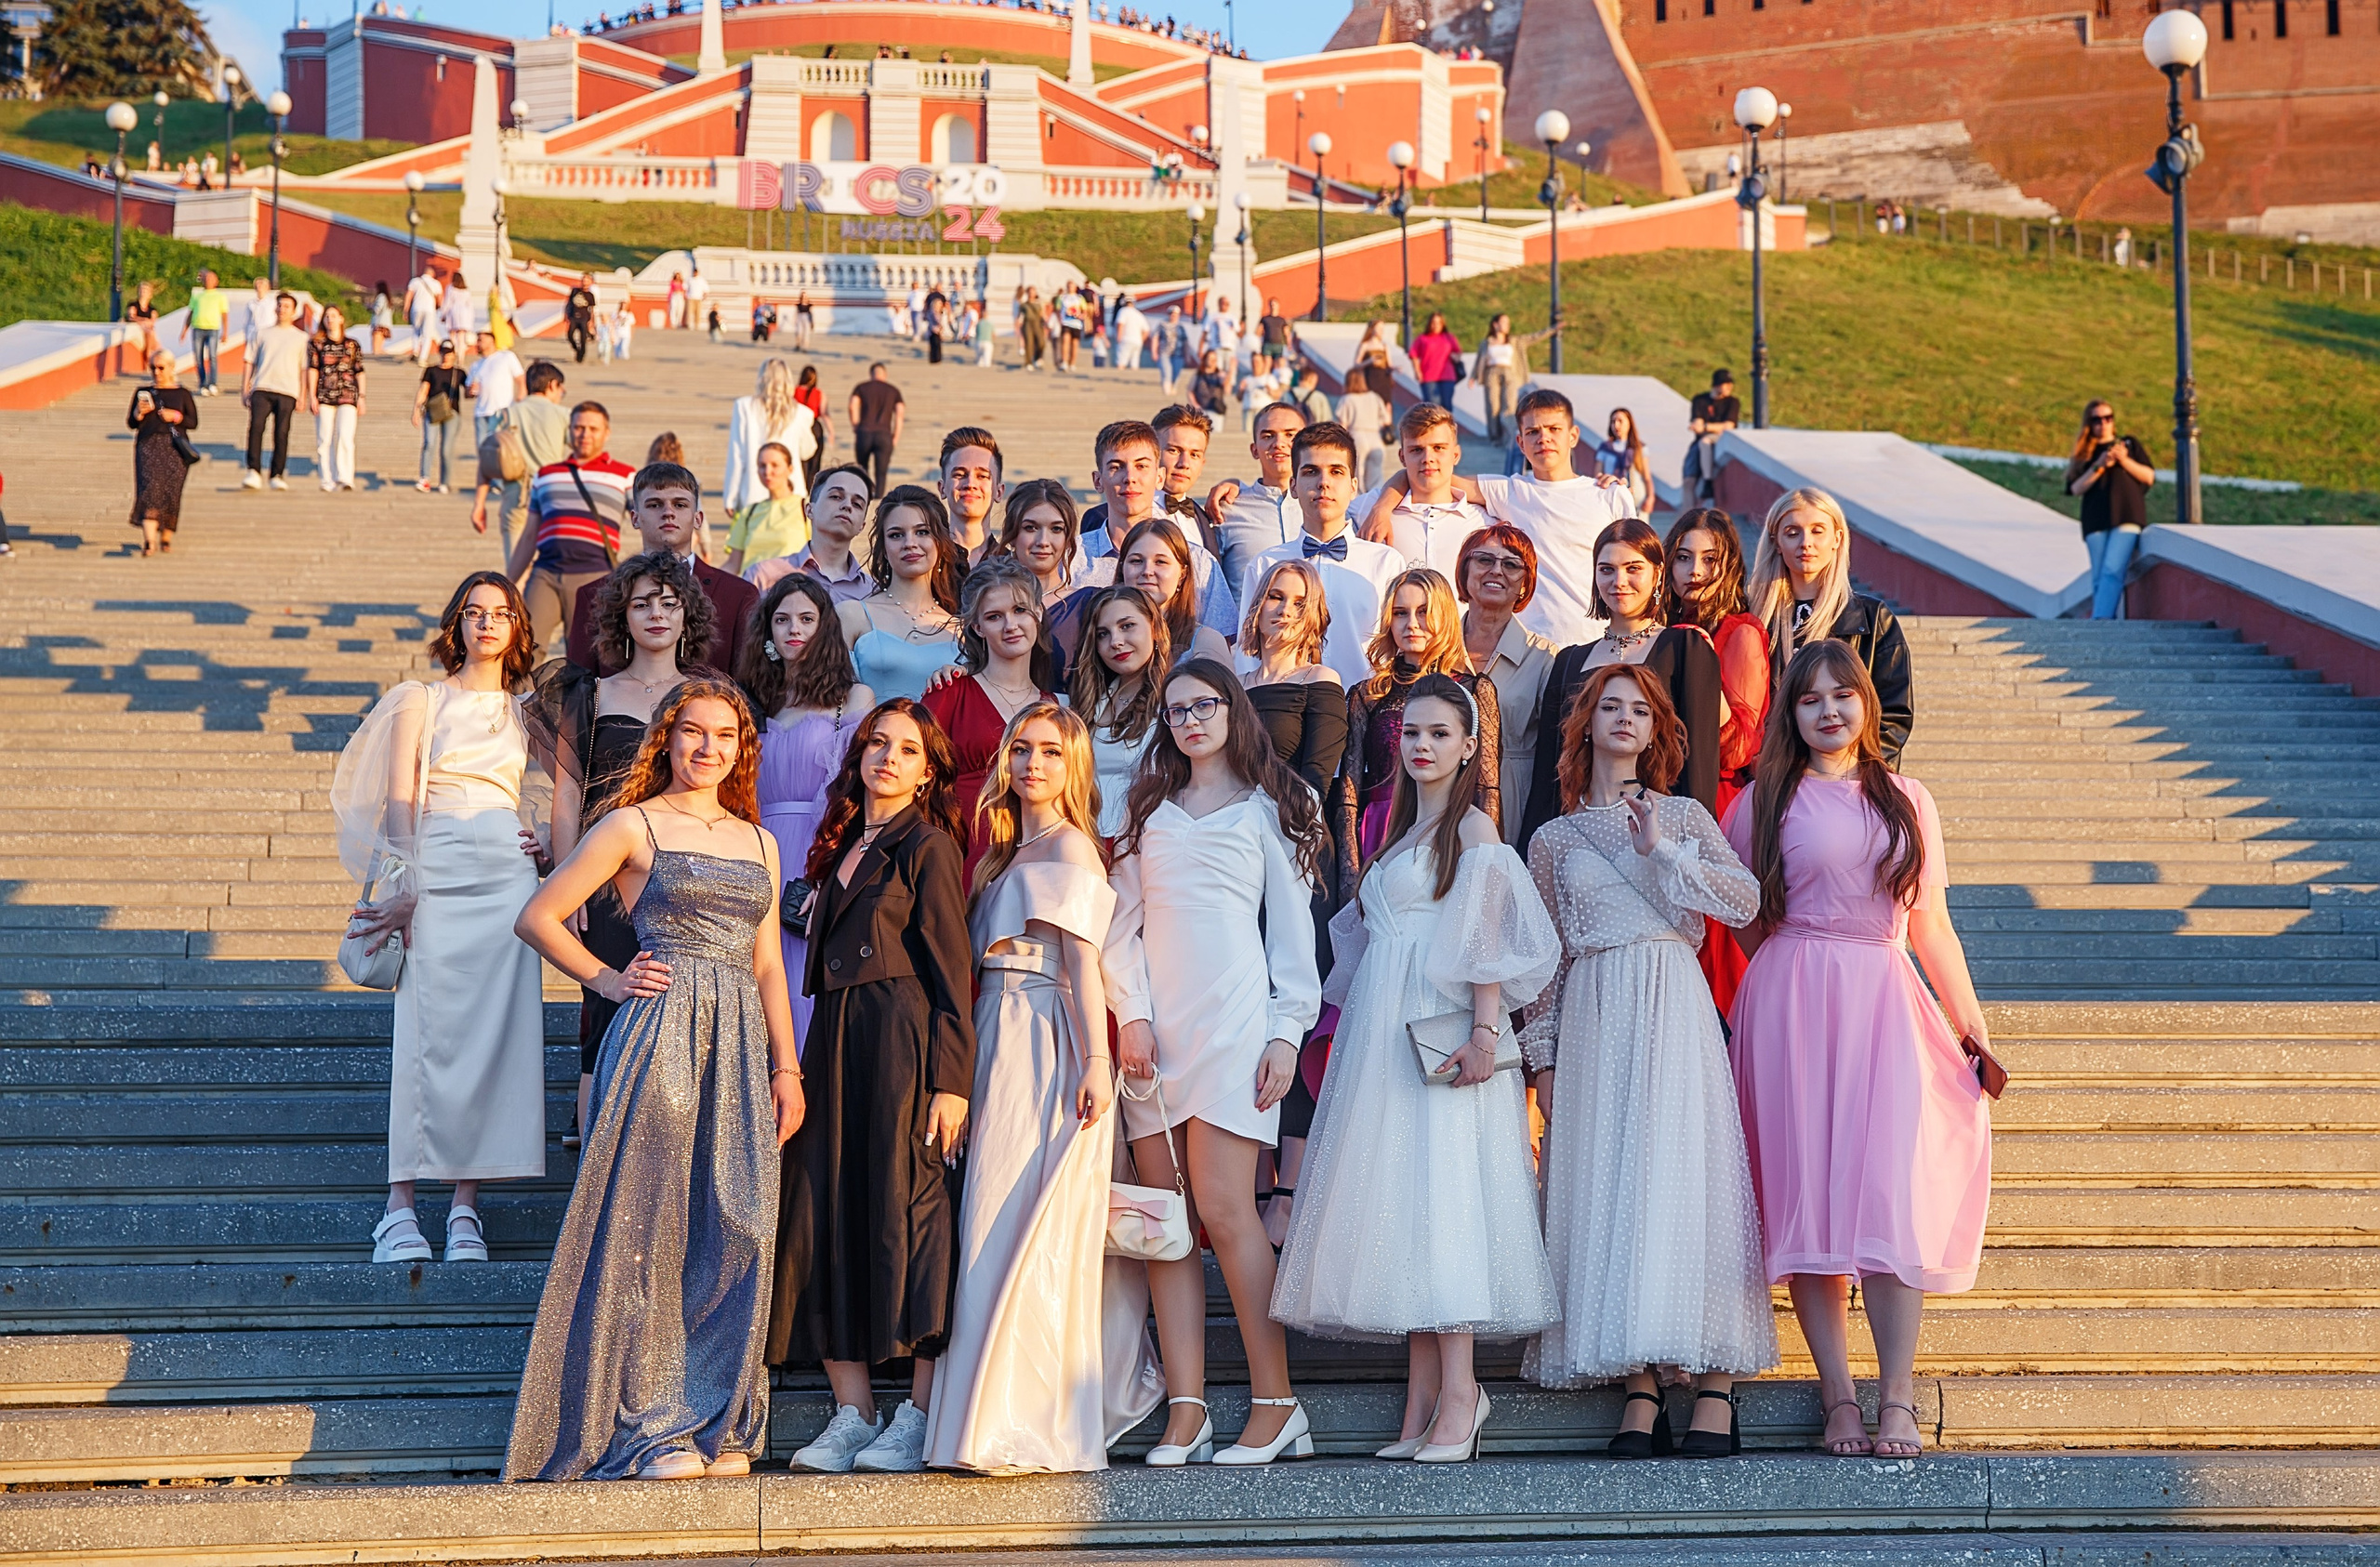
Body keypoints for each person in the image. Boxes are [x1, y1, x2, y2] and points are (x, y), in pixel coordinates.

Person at [505, 678, 802, 1481]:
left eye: (725, 737)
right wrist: (604, 979)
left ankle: (714, 1418)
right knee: (652, 1225)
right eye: (693, 733)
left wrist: (788, 1065)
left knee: (736, 1223)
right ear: (667, 739)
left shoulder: (761, 841)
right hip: (661, 1032)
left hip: (742, 1040)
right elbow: (538, 915)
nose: (709, 749)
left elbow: (769, 963)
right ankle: (651, 1429)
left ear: (743, 749)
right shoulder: (630, 824)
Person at [1273, 675, 1561, 1463]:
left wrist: (1481, 1031)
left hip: (1443, 1031)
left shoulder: (1472, 830)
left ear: (1470, 745)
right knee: (1407, 1198)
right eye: (1412, 733)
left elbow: (1490, 941)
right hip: (1385, 1030)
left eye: (1441, 733)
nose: (1423, 745)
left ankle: (1462, 1397)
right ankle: (1422, 1403)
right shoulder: (1395, 831)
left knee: (1446, 1197)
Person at [1724, 640, 1992, 1461]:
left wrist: (1975, 1033)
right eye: (1811, 700)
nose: (1830, 711)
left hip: (1885, 993)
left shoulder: (1909, 798)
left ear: (1868, 705)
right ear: (1792, 715)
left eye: (1844, 695)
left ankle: (1898, 1396)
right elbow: (1744, 915)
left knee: (1889, 1195)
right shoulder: (1762, 801)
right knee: (1809, 1195)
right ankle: (1839, 1397)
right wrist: (1801, 957)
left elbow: (1932, 928)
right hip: (1793, 999)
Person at [1522, 663, 1777, 1455]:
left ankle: (1714, 1381)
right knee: (1607, 1185)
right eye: (1611, 707)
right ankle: (1639, 1380)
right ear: (1587, 724)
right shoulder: (1552, 840)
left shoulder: (1688, 817)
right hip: (1593, 1017)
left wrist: (1663, 850)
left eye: (1641, 709)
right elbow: (1546, 962)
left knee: (1684, 1180)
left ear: (1658, 728)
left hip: (1673, 1007)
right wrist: (1544, 1063)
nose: (1625, 719)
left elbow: (1744, 903)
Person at [920, 702, 1157, 1473]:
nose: (1032, 764)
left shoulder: (1074, 850)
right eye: (1021, 750)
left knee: (1020, 1215)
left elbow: (1085, 967)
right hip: (993, 1033)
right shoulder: (997, 856)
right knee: (988, 1213)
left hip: (1042, 1043)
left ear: (1073, 766)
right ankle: (979, 1415)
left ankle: (1022, 1418)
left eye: (1050, 752)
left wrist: (1095, 1062)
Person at [1104, 660, 1327, 1468]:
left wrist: (1285, 1033)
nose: (1191, 720)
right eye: (1177, 710)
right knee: (1164, 1225)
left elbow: (1294, 940)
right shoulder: (1148, 808)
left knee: (1228, 1214)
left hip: (1236, 1027)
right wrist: (1130, 1016)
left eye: (1205, 705)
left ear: (1233, 710)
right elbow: (1119, 927)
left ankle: (1278, 1404)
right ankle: (1187, 1412)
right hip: (1155, 1039)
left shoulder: (1276, 807)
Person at [771, 698, 977, 1475]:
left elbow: (952, 973)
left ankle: (919, 1413)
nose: (888, 757)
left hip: (904, 1041)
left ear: (928, 773)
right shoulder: (838, 851)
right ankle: (852, 1413)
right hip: (835, 1043)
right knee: (823, 1211)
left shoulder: (927, 847)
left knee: (912, 1215)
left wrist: (950, 1082)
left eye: (907, 750)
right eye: (876, 743)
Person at [333, 573, 549, 1268]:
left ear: (518, 628)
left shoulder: (529, 711)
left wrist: (544, 839)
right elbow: (399, 799)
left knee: (493, 1039)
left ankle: (464, 1206)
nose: (487, 623)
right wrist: (408, 879)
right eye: (474, 613)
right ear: (456, 625)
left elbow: (551, 792)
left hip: (508, 881)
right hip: (438, 865)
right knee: (423, 1027)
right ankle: (398, 1208)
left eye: (501, 613)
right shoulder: (421, 700)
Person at [533, 547, 720, 1137]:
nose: (657, 614)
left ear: (687, 615)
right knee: (607, 1018)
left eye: (669, 603)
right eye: (643, 604)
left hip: (689, 878)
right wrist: (569, 886)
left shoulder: (707, 697)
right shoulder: (590, 694)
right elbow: (567, 798)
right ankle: (596, 1180)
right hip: (609, 881)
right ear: (623, 616)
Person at [1234, 557, 1346, 1245]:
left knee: (1291, 1014)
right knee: (1243, 1010)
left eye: (1297, 601)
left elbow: (1314, 779)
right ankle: (1247, 1176)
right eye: (1274, 595)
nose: (1282, 608)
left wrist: (1248, 811)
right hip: (1228, 865)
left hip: (1295, 853)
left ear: (1314, 616)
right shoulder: (1232, 682)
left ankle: (1290, 1190)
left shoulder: (1319, 683)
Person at [1367, 388, 1635, 651]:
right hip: (1531, 649)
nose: (1544, 438)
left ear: (1573, 435)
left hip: (1597, 640)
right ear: (1520, 442)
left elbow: (1638, 568)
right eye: (1533, 432)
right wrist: (1382, 507)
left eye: (1554, 429)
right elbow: (1428, 476)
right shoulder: (1508, 491)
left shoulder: (1609, 495)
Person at [739, 571, 873, 1047]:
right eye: (782, 619)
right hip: (754, 853)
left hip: (818, 855)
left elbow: (859, 793)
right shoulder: (752, 703)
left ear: (825, 628)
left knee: (801, 981)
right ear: (768, 633)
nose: (794, 628)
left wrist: (828, 875)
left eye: (807, 618)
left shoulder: (851, 700)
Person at [1334, 566, 1501, 897]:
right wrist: (1351, 875)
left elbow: (1488, 786)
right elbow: (1349, 792)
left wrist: (1485, 863)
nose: (1412, 623)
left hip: (1451, 830)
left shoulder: (1473, 689)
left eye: (1424, 612)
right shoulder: (1367, 695)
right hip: (1380, 829)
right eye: (1400, 613)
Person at [1666, 507, 1768, 1017]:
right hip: (1661, 804)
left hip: (1718, 807)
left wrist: (1703, 663)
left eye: (1710, 558)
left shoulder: (1740, 633)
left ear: (1731, 565)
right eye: (1683, 557)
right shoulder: (1664, 629)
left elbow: (1738, 748)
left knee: (1717, 968)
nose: (1695, 570)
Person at [1747, 487, 1913, 764]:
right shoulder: (1753, 619)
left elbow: (1894, 716)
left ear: (1837, 538)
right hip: (1770, 777)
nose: (1805, 543)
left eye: (1817, 530)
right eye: (1792, 533)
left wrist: (1849, 770)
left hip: (1850, 782)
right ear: (1776, 542)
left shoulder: (1873, 619)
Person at [923, 558, 1057, 882]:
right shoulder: (949, 693)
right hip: (959, 857)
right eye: (995, 617)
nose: (1010, 624)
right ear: (977, 627)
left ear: (1038, 613)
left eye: (1020, 610)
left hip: (1030, 861)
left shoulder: (1051, 707)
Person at [1242, 422, 1404, 690]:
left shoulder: (1386, 563)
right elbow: (1247, 653)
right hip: (1285, 713)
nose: (1324, 482)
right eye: (1311, 471)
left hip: (1367, 710)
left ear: (1354, 486)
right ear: (1293, 486)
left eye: (1336, 471)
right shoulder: (1266, 565)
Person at [564, 461, 760, 678]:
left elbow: (749, 685)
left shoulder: (738, 595)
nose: (668, 512)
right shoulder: (593, 595)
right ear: (635, 518)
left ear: (698, 518)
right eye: (655, 505)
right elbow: (578, 691)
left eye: (680, 505)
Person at [1456, 525, 1555, 851]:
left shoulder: (1544, 658)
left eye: (1512, 564)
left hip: (1514, 806)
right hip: (1437, 803)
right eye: (1484, 559)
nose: (1496, 570)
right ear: (1464, 569)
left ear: (1525, 582)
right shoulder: (1434, 648)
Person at [509, 402, 632, 652]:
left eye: (592, 429)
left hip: (596, 577)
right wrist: (507, 583)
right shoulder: (546, 475)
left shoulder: (625, 475)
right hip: (546, 574)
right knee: (523, 652)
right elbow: (529, 535)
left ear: (606, 433)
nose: (584, 434)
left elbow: (647, 521)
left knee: (588, 660)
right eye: (578, 427)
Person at [837, 484, 964, 702]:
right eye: (896, 535)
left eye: (922, 532)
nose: (910, 543)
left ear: (940, 542)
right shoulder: (850, 614)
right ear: (884, 548)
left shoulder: (961, 630)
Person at [1072, 585, 1170, 839]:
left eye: (1127, 626)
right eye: (1103, 634)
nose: (1115, 641)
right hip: (1086, 840)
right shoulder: (1089, 701)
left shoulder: (1175, 700)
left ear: (1155, 628)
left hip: (1145, 843)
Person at [1357, 403, 1486, 584]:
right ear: (1402, 457)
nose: (1428, 458)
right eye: (1417, 450)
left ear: (1455, 455)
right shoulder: (1368, 508)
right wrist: (1381, 508)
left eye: (1439, 448)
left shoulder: (1483, 521)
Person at [1200, 401, 1307, 605]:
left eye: (1290, 435)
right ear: (1254, 449)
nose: (1279, 443)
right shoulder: (1228, 509)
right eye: (1268, 436)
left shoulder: (1329, 505)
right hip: (1248, 633)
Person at [473, 361, 570, 568]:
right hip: (551, 497)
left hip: (516, 496)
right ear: (552, 385)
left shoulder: (506, 414)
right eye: (561, 388)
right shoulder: (563, 416)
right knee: (548, 571)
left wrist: (479, 505)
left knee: (517, 569)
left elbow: (486, 460)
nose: (561, 394)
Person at [2065, 399, 2155, 620]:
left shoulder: (2129, 445)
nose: (2103, 423)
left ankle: (2100, 622)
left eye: (2108, 418)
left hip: (2127, 516)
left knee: (2113, 569)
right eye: (2097, 419)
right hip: (2095, 520)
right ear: (2089, 424)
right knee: (2098, 576)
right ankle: (2105, 621)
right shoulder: (2086, 453)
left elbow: (2149, 477)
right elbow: (2075, 488)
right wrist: (2100, 465)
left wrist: (2123, 460)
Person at [751, 463, 874, 602]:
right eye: (836, 497)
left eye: (857, 504)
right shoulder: (765, 576)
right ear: (809, 510)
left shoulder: (872, 594)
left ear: (862, 526)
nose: (847, 506)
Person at [126, 350, 197, 559]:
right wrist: (139, 414)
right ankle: (149, 541)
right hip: (148, 445)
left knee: (170, 492)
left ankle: (166, 535)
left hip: (174, 448)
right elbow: (131, 423)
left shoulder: (182, 394)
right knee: (149, 490)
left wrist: (176, 416)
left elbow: (193, 422)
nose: (157, 372)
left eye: (161, 368)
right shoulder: (143, 391)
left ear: (171, 368)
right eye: (153, 368)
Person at [725, 359, 819, 517]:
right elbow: (807, 451)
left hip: (753, 493)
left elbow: (737, 456)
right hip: (792, 491)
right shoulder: (801, 412)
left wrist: (730, 497)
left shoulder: (744, 407)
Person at [240, 291, 308, 492]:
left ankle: (277, 474)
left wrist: (303, 394)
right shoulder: (261, 333)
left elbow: (303, 368)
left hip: (288, 390)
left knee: (282, 432)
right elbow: (249, 360)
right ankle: (253, 470)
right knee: (256, 428)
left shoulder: (301, 338)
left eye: (287, 306)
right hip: (262, 386)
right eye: (279, 305)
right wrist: (245, 388)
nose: (282, 309)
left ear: (294, 311)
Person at [304, 304, 365, 494]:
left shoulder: (352, 345)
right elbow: (313, 369)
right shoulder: (317, 344)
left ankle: (346, 477)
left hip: (348, 394)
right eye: (326, 316)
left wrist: (362, 396)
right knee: (325, 438)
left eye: (333, 316)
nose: (330, 320)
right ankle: (327, 478)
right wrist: (312, 395)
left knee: (346, 437)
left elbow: (359, 371)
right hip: (324, 395)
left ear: (341, 319)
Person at [991, 477, 1080, 605]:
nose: (1043, 542)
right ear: (1012, 535)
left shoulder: (1085, 605)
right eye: (1030, 528)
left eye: (1056, 529)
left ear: (1068, 539)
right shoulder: (988, 599)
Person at [724, 444, 809, 579]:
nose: (767, 471)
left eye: (775, 465)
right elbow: (733, 565)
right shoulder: (749, 512)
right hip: (752, 591)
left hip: (790, 591)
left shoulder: (806, 508)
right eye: (762, 466)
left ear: (790, 469)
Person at [936, 427, 1006, 563]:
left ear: (999, 492)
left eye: (982, 476)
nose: (970, 484)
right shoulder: (926, 563)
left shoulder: (1012, 567)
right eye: (960, 475)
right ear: (942, 488)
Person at [413, 339, 467, 494]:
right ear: (440, 353)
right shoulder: (431, 370)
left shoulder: (459, 372)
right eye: (444, 352)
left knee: (446, 449)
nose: (446, 356)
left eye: (449, 353)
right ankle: (425, 478)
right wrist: (416, 410)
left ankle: (445, 482)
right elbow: (424, 389)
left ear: (454, 355)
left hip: (452, 413)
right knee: (429, 443)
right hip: (433, 411)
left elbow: (468, 391)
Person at [849, 362, 905, 498]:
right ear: (884, 375)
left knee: (863, 468)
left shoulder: (862, 387)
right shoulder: (893, 390)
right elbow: (900, 413)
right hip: (884, 434)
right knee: (881, 472)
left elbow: (852, 405)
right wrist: (895, 436)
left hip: (864, 432)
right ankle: (878, 498)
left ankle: (865, 494)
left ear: (871, 374)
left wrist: (855, 425)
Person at [1685, 369, 1739, 506]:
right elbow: (1697, 422)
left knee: (1705, 441)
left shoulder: (1732, 402)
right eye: (1725, 384)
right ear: (1716, 385)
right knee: (1688, 481)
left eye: (1730, 384)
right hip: (1699, 443)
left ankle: (1708, 482)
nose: (1729, 387)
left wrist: (1705, 427)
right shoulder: (1700, 400)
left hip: (1718, 439)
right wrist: (1701, 427)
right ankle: (1687, 517)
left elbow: (1729, 425)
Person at [467, 330, 526, 451]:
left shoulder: (506, 357)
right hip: (481, 413)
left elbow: (520, 379)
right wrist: (471, 390)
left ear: (491, 340)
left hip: (501, 411)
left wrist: (521, 395)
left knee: (501, 449)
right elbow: (467, 393)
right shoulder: (476, 365)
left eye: (480, 340)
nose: (477, 343)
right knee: (483, 451)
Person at [1336, 365, 1393, 493]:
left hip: (1356, 436)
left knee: (1357, 474)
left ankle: (1358, 501)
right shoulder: (1375, 397)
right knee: (1376, 476)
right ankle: (1374, 500)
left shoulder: (1347, 399)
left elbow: (1343, 424)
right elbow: (1386, 420)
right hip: (1375, 436)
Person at [1593, 407, 1654, 516]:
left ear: (1629, 423)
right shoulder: (1605, 448)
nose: (1616, 425)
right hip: (1612, 498)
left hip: (1637, 501)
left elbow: (1647, 477)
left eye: (1620, 421)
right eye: (1613, 421)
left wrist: (1650, 497)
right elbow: (1597, 475)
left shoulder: (1639, 448)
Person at [1408, 311, 1463, 409]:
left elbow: (1458, 352)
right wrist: (1417, 371)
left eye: (1438, 323)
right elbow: (1414, 355)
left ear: (1442, 324)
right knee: (1432, 406)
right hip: (1429, 376)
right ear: (1429, 323)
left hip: (1447, 376)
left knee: (1447, 405)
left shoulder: (1449, 338)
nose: (1436, 325)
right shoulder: (1423, 338)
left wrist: (1455, 356)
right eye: (1433, 322)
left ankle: (1447, 424)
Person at [189, 270, 230, 396]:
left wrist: (225, 332)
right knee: (198, 358)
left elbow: (224, 315)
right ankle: (203, 383)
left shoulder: (220, 296)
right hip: (197, 328)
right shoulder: (197, 295)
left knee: (212, 356)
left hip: (212, 329)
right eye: (206, 279)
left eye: (211, 279)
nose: (208, 281)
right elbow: (190, 313)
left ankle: (212, 383)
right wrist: (184, 330)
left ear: (216, 281)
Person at [792, 364, 830, 492]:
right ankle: (811, 487)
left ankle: (801, 486)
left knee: (799, 458)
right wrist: (831, 431)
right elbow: (824, 413)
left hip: (797, 425)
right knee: (815, 460)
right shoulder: (819, 393)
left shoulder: (794, 391)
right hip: (815, 426)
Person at [405, 266, 443, 366]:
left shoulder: (415, 281)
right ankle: (422, 358)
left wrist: (406, 310)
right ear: (432, 274)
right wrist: (440, 308)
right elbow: (440, 300)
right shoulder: (436, 284)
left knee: (416, 331)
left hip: (416, 309)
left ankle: (415, 350)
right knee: (427, 334)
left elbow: (409, 296)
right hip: (429, 310)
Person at [125, 281, 161, 368]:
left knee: (150, 333)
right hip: (137, 329)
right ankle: (151, 357)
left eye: (145, 291)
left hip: (147, 331)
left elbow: (153, 321)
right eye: (141, 290)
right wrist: (144, 320)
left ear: (150, 294)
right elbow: (131, 317)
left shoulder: (152, 309)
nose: (143, 292)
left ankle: (149, 356)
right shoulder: (133, 305)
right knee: (151, 334)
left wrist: (143, 321)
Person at [1153, 305, 1186, 395]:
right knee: (1167, 372)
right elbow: (1155, 338)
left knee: (1176, 373)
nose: (1173, 316)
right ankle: (1167, 393)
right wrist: (1154, 352)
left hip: (1178, 354)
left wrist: (1187, 354)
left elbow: (1185, 341)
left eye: (1175, 314)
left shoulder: (1180, 327)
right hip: (1165, 352)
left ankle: (1173, 390)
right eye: (1171, 313)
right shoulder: (1162, 324)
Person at [565, 273, 598, 362]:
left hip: (584, 318)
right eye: (583, 280)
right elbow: (569, 303)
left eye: (587, 281)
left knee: (583, 338)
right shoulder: (575, 291)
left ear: (590, 282)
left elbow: (592, 309)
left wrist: (591, 322)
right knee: (570, 335)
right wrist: (566, 315)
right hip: (573, 316)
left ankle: (581, 355)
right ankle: (576, 348)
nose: (585, 282)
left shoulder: (590, 295)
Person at [370, 282, 394, 356]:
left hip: (379, 324)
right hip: (386, 325)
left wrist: (370, 307)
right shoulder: (388, 299)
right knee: (380, 348)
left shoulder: (381, 297)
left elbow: (377, 309)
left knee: (376, 349)